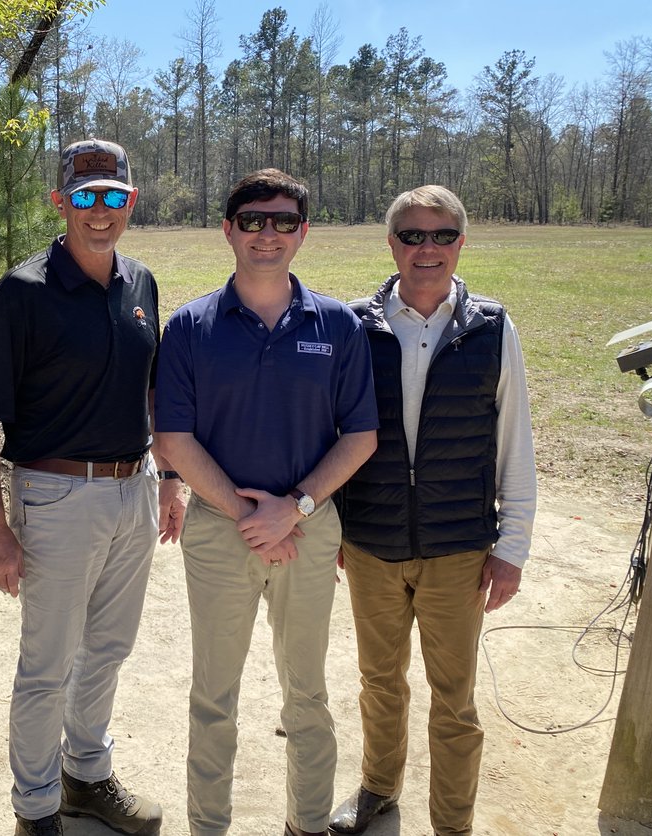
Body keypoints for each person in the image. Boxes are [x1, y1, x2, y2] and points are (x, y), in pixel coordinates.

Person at [0, 138, 186, 836]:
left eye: (112, 196)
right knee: (47, 666)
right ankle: (35, 810)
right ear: (60, 202)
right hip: (55, 497)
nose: (98, 210)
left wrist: (170, 479)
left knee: (108, 651)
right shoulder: (22, 293)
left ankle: (86, 777)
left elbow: (155, 393)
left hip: (134, 493)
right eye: (84, 196)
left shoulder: (142, 283)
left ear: (130, 203)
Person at [154, 169, 379, 836]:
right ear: (228, 229)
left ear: (303, 232)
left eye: (283, 221)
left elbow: (360, 436)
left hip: (309, 532)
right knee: (213, 699)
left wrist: (297, 507)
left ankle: (306, 825)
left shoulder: (337, 324)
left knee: (307, 696)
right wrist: (250, 515)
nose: (267, 234)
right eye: (252, 220)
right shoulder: (191, 326)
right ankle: (208, 827)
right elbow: (174, 437)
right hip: (220, 534)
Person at [328, 185, 536, 836]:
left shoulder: (493, 329)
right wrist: (334, 526)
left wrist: (512, 549)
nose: (427, 249)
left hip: (458, 551)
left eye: (442, 235)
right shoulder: (354, 327)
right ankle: (377, 792)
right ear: (390, 244)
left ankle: (453, 824)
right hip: (372, 544)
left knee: (455, 702)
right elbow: (333, 436)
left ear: (461, 243)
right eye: (412, 235)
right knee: (379, 684)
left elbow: (516, 446)